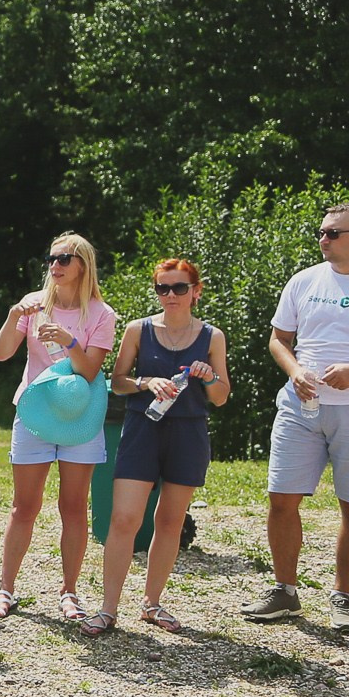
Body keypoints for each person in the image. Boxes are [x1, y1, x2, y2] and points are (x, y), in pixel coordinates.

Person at [243, 204, 349, 631]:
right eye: (321, 232)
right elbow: (279, 338)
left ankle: (343, 597)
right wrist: (294, 370)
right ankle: (285, 592)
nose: (323, 239)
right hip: (300, 406)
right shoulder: (304, 280)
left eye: (333, 233)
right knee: (281, 498)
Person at [92, 259, 230, 635]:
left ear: (196, 292)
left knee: (170, 522)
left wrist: (209, 376)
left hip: (188, 432)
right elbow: (118, 381)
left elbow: (220, 397)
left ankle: (152, 604)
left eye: (179, 288)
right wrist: (145, 382)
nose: (171, 295)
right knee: (124, 519)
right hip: (142, 429)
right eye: (163, 289)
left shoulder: (212, 336)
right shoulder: (139, 329)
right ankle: (108, 609)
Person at [0, 232, 116, 622]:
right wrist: (14, 315)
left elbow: (90, 370)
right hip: (33, 414)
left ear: (83, 265)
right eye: (51, 258)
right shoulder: (35, 305)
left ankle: (70, 593)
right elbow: (1, 353)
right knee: (23, 506)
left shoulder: (101, 314)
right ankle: (5, 589)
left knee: (74, 507)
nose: (55, 266)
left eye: (64, 259)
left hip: (81, 417)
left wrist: (69, 340)